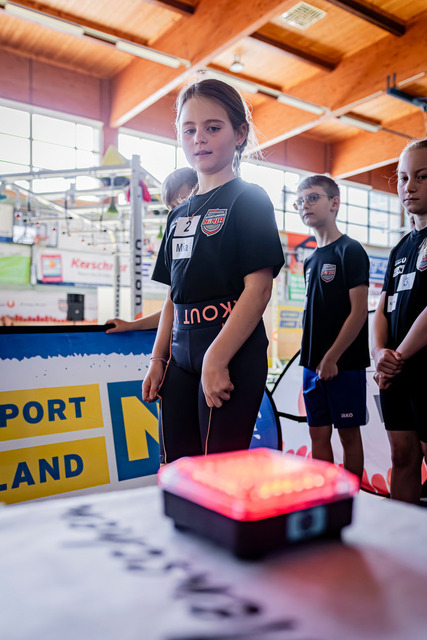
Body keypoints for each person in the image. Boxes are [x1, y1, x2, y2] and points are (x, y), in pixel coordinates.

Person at [142, 77, 284, 463]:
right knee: (177, 469)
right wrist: (158, 359)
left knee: (218, 472)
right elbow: (172, 296)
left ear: (240, 134)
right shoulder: (177, 215)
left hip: (231, 352)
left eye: (213, 128)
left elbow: (258, 289)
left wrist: (216, 357)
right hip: (180, 356)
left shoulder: (249, 199)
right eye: (189, 129)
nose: (199, 139)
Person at [297, 175, 369, 482]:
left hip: (344, 364)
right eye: (300, 201)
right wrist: (314, 359)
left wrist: (332, 357)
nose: (305, 205)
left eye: (313, 198)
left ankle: (354, 500)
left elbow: (359, 312)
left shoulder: (350, 251)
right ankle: (325, 496)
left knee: (348, 435)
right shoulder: (310, 260)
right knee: (317, 434)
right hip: (311, 365)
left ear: (334, 203)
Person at [372, 138, 427, 504]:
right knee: (402, 458)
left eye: (422, 177)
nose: (410, 187)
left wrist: (398, 356)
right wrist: (379, 353)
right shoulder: (400, 249)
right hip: (397, 371)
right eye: (404, 178)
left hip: (418, 366)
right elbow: (382, 308)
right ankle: (400, 535)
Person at [106, 167, 198, 334]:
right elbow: (171, 307)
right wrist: (131, 325)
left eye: (183, 202)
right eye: (172, 209)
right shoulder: (178, 245)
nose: (179, 214)